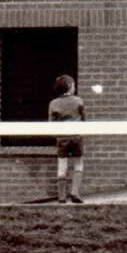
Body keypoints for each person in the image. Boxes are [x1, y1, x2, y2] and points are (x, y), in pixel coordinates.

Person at [48, 74, 86, 204]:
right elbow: (84, 119)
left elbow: (51, 123)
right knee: (78, 163)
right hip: (76, 137)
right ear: (70, 87)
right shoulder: (78, 101)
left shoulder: (53, 103)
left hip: (62, 138)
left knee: (62, 165)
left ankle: (62, 197)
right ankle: (75, 192)